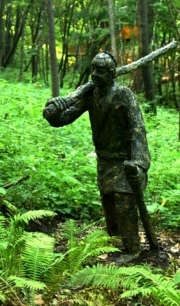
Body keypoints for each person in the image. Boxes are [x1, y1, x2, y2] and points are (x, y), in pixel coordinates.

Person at [42, 52, 150, 254]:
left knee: (125, 206)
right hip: (104, 162)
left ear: (112, 73)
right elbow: (64, 118)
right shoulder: (90, 96)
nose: (95, 74)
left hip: (126, 162)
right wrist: (53, 111)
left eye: (100, 70)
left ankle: (133, 250)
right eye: (93, 69)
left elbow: (138, 130)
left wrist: (139, 163)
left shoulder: (124, 95)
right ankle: (116, 245)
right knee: (109, 206)